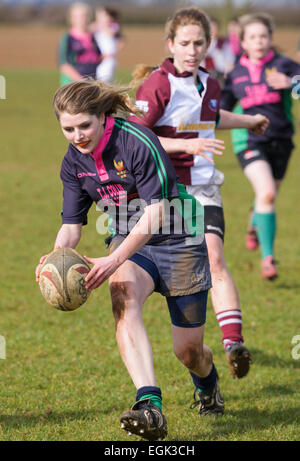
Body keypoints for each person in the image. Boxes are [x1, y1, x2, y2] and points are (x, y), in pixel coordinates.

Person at [35, 79, 225, 441]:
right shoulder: (73, 162)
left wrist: (112, 259)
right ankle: (149, 406)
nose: (77, 135)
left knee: (188, 352)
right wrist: (57, 256)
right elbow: (71, 225)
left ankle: (207, 383)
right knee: (123, 295)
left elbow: (156, 213)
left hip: (180, 238)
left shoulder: (135, 139)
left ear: (102, 117)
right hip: (129, 240)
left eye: (84, 126)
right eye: (68, 128)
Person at [129, 6, 269, 381]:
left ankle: (233, 343)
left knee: (215, 255)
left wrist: (248, 120)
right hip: (166, 193)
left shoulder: (210, 81)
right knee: (169, 277)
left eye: (199, 43)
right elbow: (138, 137)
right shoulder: (157, 85)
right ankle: (191, 352)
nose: (192, 50)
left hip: (205, 188)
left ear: (208, 44)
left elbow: (211, 117)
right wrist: (183, 148)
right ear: (171, 44)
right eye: (185, 43)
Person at [221, 13, 300, 280]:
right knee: (266, 194)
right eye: (252, 37)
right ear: (242, 41)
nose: (259, 41)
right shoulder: (236, 73)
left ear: (270, 38)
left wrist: (292, 84)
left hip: (282, 141)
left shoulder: (284, 64)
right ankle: (269, 259)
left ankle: (254, 223)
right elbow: (219, 108)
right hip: (250, 141)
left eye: (264, 36)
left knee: (268, 195)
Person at [58, 2, 101, 86]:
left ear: (89, 17)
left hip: (92, 85)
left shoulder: (93, 38)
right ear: (71, 19)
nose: (81, 19)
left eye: (84, 16)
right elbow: (64, 65)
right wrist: (82, 81)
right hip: (72, 86)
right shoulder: (68, 38)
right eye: (77, 17)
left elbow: (99, 57)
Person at [91, 6, 124, 84]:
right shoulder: (95, 27)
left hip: (109, 59)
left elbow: (112, 33)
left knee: (106, 81)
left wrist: (101, 25)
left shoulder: (113, 26)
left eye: (104, 16)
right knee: (99, 80)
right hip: (99, 59)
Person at [201, 17, 235, 86]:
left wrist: (228, 72)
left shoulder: (223, 43)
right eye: (210, 28)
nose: (213, 30)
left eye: (215, 28)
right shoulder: (201, 42)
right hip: (204, 73)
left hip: (220, 74)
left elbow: (230, 59)